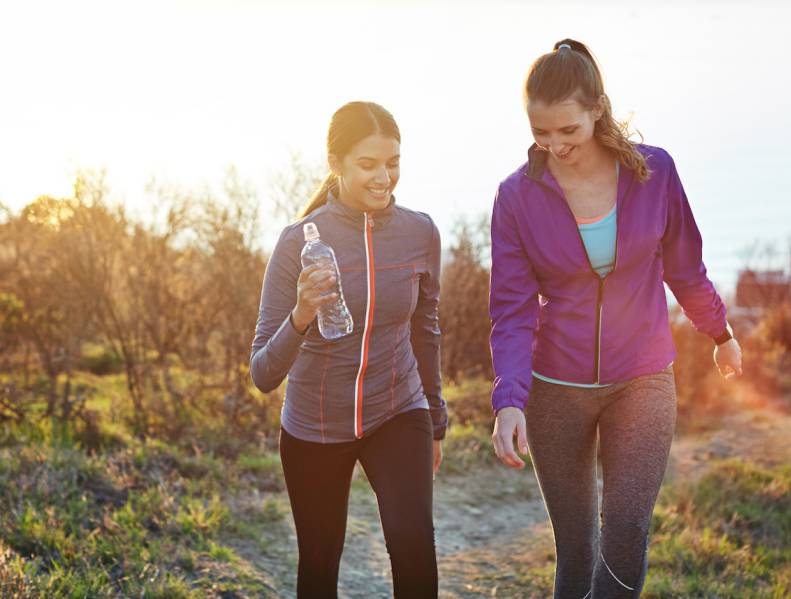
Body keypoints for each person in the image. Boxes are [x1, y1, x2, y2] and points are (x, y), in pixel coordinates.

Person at [488, 40, 743, 598]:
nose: (555, 146)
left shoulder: (654, 172)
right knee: (576, 553)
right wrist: (509, 398)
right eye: (540, 134)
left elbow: (684, 265)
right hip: (555, 387)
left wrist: (719, 332)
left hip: (643, 377)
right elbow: (511, 309)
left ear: (597, 110)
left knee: (626, 532)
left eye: (568, 132)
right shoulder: (515, 197)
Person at [250, 101, 446, 599]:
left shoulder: (419, 233)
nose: (385, 178)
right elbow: (263, 373)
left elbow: (427, 330)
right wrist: (301, 315)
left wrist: (436, 421)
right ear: (335, 163)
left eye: (393, 162)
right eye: (368, 164)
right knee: (319, 562)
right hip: (315, 425)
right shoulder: (298, 242)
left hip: (398, 410)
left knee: (414, 549)